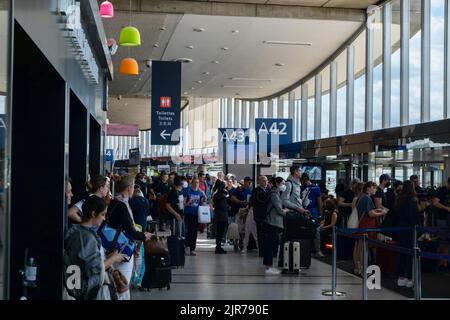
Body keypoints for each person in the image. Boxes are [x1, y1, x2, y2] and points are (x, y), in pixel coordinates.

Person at [64, 195, 126, 300]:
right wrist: (113, 259)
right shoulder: (86, 237)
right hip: (85, 290)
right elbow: (96, 269)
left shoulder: (77, 232)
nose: (104, 218)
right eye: (102, 214)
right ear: (93, 214)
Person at [106, 174, 152, 292]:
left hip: (113, 246)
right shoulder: (122, 205)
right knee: (123, 285)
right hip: (122, 249)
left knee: (114, 284)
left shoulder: (114, 202)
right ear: (129, 188)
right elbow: (130, 230)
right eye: (132, 187)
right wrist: (144, 235)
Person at [353, 181, 388, 275]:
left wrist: (377, 210)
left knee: (358, 247)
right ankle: (362, 268)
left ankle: (357, 267)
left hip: (360, 225)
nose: (375, 190)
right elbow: (370, 213)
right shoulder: (367, 198)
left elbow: (368, 210)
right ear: (369, 188)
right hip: (365, 226)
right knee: (363, 248)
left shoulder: (361, 197)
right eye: (374, 187)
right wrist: (382, 212)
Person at [396, 180, 420, 288]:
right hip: (410, 231)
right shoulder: (412, 201)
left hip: (400, 230)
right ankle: (410, 279)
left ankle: (401, 277)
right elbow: (413, 217)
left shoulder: (399, 200)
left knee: (402, 254)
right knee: (411, 255)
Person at [263, 177, 289, 275]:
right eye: (282, 183)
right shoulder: (274, 194)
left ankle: (269, 265)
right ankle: (269, 267)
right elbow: (279, 210)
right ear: (277, 184)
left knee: (271, 244)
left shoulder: (276, 193)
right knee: (271, 245)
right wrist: (286, 211)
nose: (284, 185)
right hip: (272, 222)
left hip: (273, 222)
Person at [300, 172, 324, 258]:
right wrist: (320, 214)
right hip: (311, 212)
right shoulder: (315, 188)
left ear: (304, 180)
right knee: (315, 231)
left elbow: (319, 201)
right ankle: (315, 250)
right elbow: (319, 202)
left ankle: (315, 250)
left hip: (307, 211)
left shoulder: (311, 188)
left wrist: (320, 214)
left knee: (315, 231)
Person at [184, 178, 206, 256]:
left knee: (194, 232)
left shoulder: (200, 192)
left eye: (197, 182)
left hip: (197, 214)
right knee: (189, 231)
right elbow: (184, 203)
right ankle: (187, 246)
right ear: (192, 183)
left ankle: (193, 248)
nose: (196, 184)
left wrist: (203, 200)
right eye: (195, 182)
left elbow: (204, 199)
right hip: (189, 213)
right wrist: (188, 204)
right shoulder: (188, 191)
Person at [251, 176, 270, 257]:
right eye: (263, 180)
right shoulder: (256, 190)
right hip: (259, 215)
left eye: (266, 180)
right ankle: (261, 251)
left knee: (267, 233)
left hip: (268, 215)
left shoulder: (269, 190)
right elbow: (257, 201)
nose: (265, 182)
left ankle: (267, 250)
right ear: (259, 181)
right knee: (260, 233)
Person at [213, 181, 230, 254]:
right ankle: (219, 248)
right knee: (221, 232)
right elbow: (224, 206)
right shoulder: (223, 196)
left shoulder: (216, 195)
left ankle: (218, 246)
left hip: (217, 215)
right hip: (222, 216)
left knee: (218, 232)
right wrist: (228, 207)